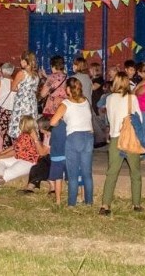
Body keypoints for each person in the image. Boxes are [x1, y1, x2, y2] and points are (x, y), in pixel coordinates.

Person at [99, 71, 144, 215]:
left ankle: (105, 205)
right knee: (135, 173)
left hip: (115, 138)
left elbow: (109, 118)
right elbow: (139, 119)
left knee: (112, 173)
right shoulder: (132, 98)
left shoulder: (109, 98)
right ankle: (136, 204)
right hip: (129, 138)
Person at [50, 76, 94, 207]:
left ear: (68, 89)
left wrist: (64, 119)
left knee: (73, 173)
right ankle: (89, 202)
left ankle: (71, 203)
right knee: (87, 173)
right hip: (88, 137)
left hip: (74, 137)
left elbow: (53, 122)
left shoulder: (66, 104)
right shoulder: (85, 101)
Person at [0, 114, 42, 187]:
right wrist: (1, 154)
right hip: (20, 158)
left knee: (6, 171)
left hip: (28, 162)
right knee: (0, 161)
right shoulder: (25, 134)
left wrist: (0, 156)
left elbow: (15, 151)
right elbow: (14, 146)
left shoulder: (27, 136)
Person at [8, 51, 40, 140]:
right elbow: (35, 90)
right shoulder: (36, 75)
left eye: (21, 60)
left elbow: (13, 88)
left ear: (26, 61)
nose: (20, 62)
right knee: (30, 124)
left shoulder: (21, 73)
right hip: (32, 103)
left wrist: (21, 90)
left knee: (20, 123)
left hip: (22, 102)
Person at [0, 62, 16, 147]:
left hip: (3, 110)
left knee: (3, 132)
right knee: (13, 132)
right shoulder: (15, 82)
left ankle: (4, 149)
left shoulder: (0, 82)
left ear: (2, 70)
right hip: (13, 110)